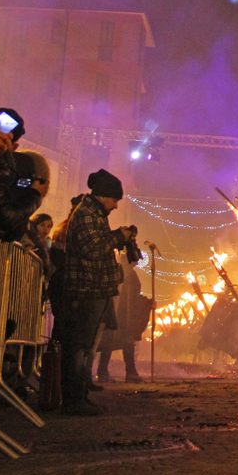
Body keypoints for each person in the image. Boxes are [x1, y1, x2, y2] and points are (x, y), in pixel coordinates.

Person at [53, 169, 135, 415]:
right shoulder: (88, 214)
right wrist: (117, 236)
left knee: (84, 346)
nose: (116, 206)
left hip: (94, 288)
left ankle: (79, 395)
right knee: (77, 346)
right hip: (85, 289)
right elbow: (93, 248)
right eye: (114, 200)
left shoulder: (95, 213)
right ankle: (73, 400)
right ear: (102, 196)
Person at [97, 249, 148, 383]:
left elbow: (134, 298)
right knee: (111, 342)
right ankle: (105, 372)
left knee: (125, 342)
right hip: (117, 312)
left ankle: (127, 372)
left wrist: (146, 303)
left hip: (123, 314)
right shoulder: (120, 273)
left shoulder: (131, 275)